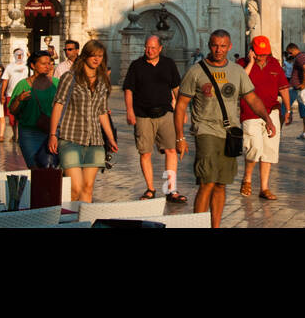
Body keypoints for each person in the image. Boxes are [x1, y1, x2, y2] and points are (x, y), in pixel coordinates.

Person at [174, 30, 276, 228]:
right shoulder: (196, 71)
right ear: (209, 45)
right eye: (214, 45)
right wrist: (180, 137)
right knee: (207, 182)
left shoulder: (237, 71)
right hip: (205, 130)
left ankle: (215, 225)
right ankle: (198, 225)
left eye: (222, 46)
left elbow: (252, 98)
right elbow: (180, 105)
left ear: (229, 47)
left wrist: (267, 119)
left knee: (221, 184)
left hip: (230, 133)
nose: (218, 50)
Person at [49, 39, 119, 201]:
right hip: (70, 137)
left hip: (95, 140)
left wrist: (110, 138)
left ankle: (83, 221)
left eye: (100, 56)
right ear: (85, 56)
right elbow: (58, 105)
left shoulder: (102, 80)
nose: (96, 59)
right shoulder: (69, 77)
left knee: (88, 188)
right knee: (75, 188)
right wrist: (53, 134)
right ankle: (70, 222)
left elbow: (102, 112)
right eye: (93, 55)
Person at [122, 34, 186, 203]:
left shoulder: (168, 64)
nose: (149, 50)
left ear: (160, 48)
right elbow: (128, 90)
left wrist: (182, 111)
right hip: (142, 115)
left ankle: (171, 189)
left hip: (165, 113)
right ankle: (150, 188)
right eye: (147, 47)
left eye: (152, 48)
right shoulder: (136, 66)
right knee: (145, 152)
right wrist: (129, 111)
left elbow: (176, 89)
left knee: (171, 150)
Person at [240, 36, 290, 200]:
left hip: (272, 110)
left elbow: (283, 88)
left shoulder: (274, 64)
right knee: (254, 146)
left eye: (264, 54)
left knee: (269, 148)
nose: (262, 57)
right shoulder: (242, 64)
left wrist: (288, 109)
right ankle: (247, 178)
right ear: (252, 51)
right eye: (259, 54)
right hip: (250, 111)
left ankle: (264, 187)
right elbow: (240, 82)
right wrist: (251, 63)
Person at [9, 51, 59, 169]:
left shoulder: (57, 83)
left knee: (51, 167)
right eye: (43, 63)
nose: (47, 66)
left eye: (49, 63)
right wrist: (19, 99)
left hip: (52, 132)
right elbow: (12, 110)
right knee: (35, 168)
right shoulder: (23, 85)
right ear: (33, 65)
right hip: (29, 133)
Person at [2, 48, 29, 144]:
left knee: (23, 115)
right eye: (17, 54)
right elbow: (5, 80)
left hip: (25, 94)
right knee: (12, 116)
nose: (19, 56)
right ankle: (15, 134)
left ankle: (21, 135)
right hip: (11, 94)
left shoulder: (27, 66)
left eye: (21, 54)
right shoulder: (9, 67)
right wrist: (2, 94)